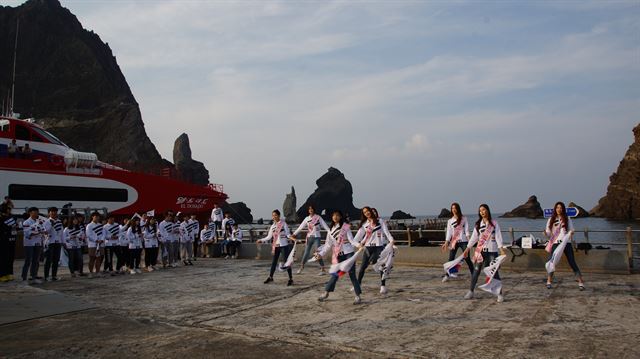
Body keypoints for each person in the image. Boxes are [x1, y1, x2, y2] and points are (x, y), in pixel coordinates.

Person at [463, 204, 507, 302]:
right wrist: (467, 249)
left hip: (492, 252)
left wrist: (501, 250)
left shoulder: (494, 223)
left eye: (483, 210)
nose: (482, 212)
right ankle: (471, 291)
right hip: (481, 252)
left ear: (487, 210)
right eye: (480, 211)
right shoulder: (478, 225)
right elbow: (474, 238)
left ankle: (500, 294)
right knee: (476, 272)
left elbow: (498, 237)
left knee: (494, 272)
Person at [316, 210, 362, 304]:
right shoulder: (330, 230)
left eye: (337, 215)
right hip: (338, 255)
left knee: (352, 274)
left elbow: (351, 240)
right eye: (334, 215)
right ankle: (326, 293)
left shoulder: (345, 227)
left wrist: (358, 245)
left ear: (341, 217)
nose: (335, 217)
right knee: (335, 274)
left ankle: (358, 296)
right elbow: (327, 245)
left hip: (348, 253)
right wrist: (321, 254)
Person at [544, 201, 585, 290]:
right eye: (557, 207)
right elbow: (548, 233)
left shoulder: (567, 218)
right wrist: (545, 233)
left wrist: (571, 232)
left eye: (561, 208)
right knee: (552, 261)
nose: (559, 209)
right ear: (555, 209)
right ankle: (549, 281)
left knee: (572, 262)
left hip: (566, 243)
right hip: (555, 243)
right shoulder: (551, 219)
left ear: (563, 209)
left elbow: (572, 229)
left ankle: (581, 282)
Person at [355, 206, 395, 295]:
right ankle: (358, 284)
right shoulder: (364, 224)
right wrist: (359, 244)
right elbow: (357, 238)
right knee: (362, 267)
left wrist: (391, 240)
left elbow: (386, 232)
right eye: (365, 212)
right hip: (368, 247)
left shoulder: (380, 221)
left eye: (368, 211)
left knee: (381, 266)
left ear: (370, 211)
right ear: (364, 214)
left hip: (379, 246)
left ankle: (383, 286)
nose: (367, 213)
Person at [291, 205, 331, 275]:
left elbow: (326, 227)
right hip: (309, 238)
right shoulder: (307, 218)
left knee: (318, 253)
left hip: (317, 238)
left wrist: (332, 233)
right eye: (309, 209)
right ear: (308, 210)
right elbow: (300, 227)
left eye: (312, 209)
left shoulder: (318, 217)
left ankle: (323, 269)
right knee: (306, 253)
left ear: (314, 210)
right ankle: (301, 267)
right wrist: (294, 234)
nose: (311, 210)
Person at [257, 209, 294, 286]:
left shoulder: (283, 223)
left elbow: (287, 234)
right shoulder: (272, 226)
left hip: (284, 246)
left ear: (279, 216)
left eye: (275, 215)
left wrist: (293, 238)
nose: (274, 217)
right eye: (273, 215)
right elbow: (269, 237)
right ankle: (270, 277)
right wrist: (261, 240)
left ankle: (290, 279)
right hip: (276, 246)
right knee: (274, 262)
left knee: (287, 262)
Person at [441, 202, 474, 282]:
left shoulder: (464, 219)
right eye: (452, 208)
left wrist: (470, 241)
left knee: (467, 258)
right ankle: (447, 275)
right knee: (451, 259)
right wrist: (446, 243)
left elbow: (466, 231)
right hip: (454, 242)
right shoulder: (450, 221)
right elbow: (449, 233)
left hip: (463, 241)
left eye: (455, 208)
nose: (454, 210)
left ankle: (474, 274)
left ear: (458, 209)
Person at [22, 207, 45, 283]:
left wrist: (42, 232)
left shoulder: (40, 221)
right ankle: (24, 277)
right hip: (29, 244)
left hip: (38, 242)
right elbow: (27, 234)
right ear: (30, 213)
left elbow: (43, 230)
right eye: (34, 212)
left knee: (36, 260)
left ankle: (33, 276)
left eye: (37, 212)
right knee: (28, 260)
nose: (36, 213)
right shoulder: (26, 222)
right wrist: (37, 232)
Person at [43, 207, 64, 281]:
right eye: (52, 212)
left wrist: (62, 241)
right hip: (50, 242)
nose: (54, 213)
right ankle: (46, 276)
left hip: (57, 242)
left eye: (55, 212)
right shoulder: (47, 221)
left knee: (56, 260)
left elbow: (61, 232)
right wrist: (51, 225)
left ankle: (54, 276)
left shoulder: (59, 221)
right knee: (48, 260)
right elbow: (46, 231)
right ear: (49, 213)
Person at [0, 204, 17, 282]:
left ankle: (9, 273)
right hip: (3, 241)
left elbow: (15, 226)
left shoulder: (12, 217)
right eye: (9, 209)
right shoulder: (1, 218)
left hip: (12, 240)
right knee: (3, 258)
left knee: (10, 258)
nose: (10, 210)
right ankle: (2, 274)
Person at [85, 212, 105, 278]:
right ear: (92, 217)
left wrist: (101, 240)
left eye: (98, 216)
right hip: (92, 244)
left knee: (99, 258)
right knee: (92, 258)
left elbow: (103, 233)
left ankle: (98, 272)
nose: (97, 218)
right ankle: (91, 272)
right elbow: (88, 234)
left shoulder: (101, 225)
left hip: (100, 244)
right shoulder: (89, 225)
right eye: (95, 216)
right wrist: (96, 240)